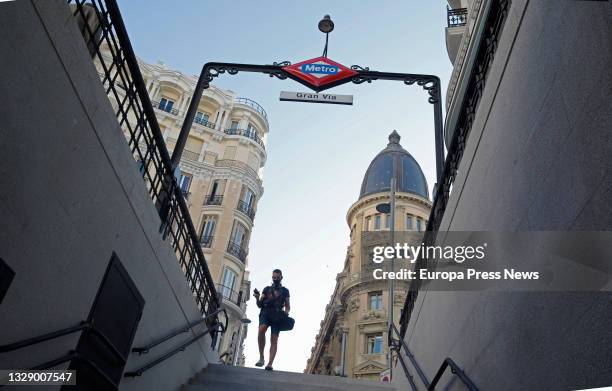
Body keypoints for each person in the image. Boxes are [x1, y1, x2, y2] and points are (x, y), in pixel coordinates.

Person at [254, 269, 290, 371]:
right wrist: (257, 297)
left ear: (281, 278)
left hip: (277, 315)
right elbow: (259, 305)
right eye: (274, 277)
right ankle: (261, 357)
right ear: (272, 277)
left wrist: (286, 313)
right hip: (265, 313)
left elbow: (287, 306)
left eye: (277, 277)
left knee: (274, 339)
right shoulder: (266, 289)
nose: (276, 279)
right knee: (261, 329)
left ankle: (270, 363)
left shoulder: (285, 291)